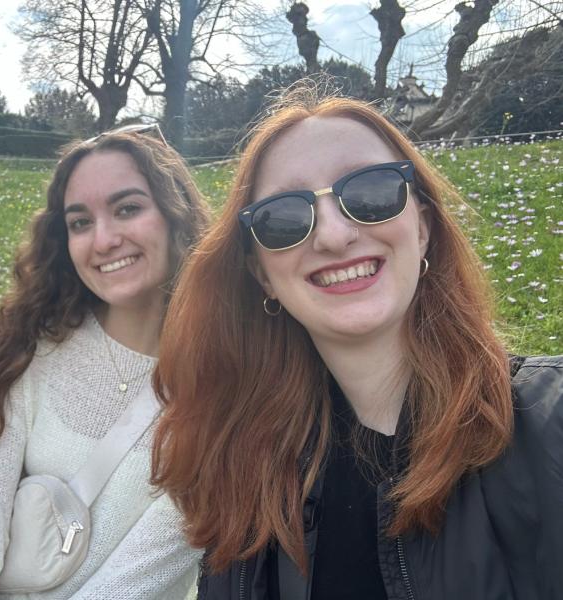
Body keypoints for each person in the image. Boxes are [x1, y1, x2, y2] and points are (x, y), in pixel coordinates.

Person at [150, 85, 563, 600]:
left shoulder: (550, 423)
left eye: (371, 192)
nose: (333, 235)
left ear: (424, 227)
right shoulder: (244, 472)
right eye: (285, 217)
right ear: (261, 276)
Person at [0, 126, 211, 599]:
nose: (103, 240)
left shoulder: (225, 384)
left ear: (176, 216)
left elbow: (141, 577)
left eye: (128, 208)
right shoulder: (33, 345)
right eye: (80, 222)